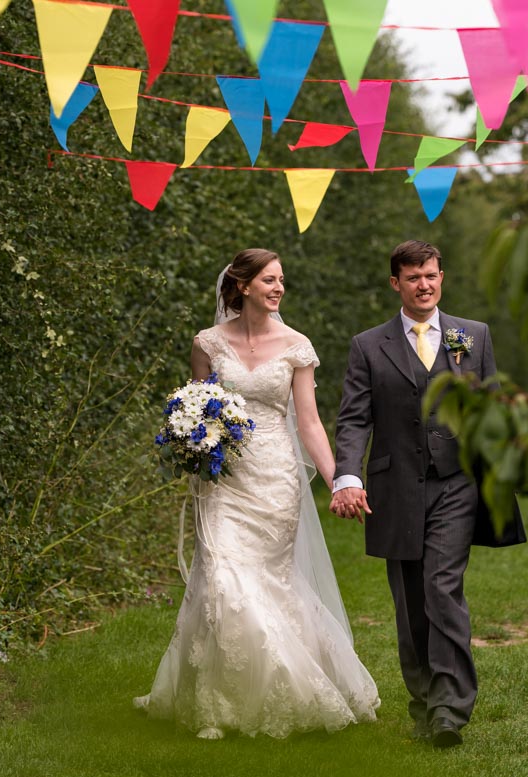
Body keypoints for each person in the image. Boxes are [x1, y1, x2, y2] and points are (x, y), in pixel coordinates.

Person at [135, 248, 380, 740]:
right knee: (221, 575)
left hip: (274, 477)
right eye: (269, 279)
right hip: (223, 478)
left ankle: (280, 686)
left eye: (282, 280)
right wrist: (190, 442)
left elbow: (309, 423)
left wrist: (341, 483)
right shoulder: (208, 343)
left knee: (269, 580)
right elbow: (197, 404)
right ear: (242, 285)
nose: (279, 288)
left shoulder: (296, 346)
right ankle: (212, 705)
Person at [330, 240, 525, 749]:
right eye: (413, 277)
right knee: (411, 599)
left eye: (432, 275)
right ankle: (422, 697)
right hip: (395, 487)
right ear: (396, 283)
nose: (424, 284)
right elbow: (353, 418)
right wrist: (347, 475)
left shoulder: (472, 337)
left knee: (442, 587)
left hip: (456, 483)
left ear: (443, 277)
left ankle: (450, 709)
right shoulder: (368, 346)